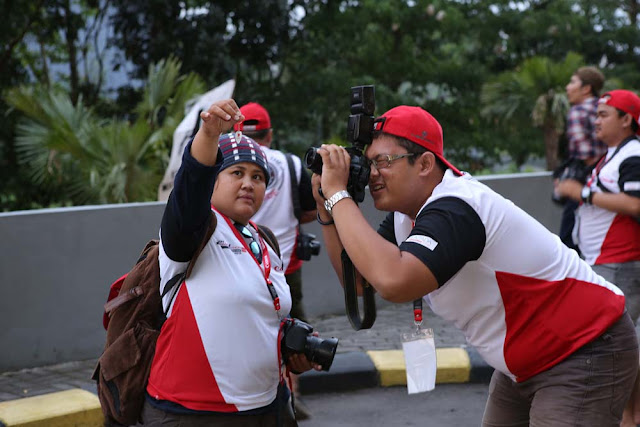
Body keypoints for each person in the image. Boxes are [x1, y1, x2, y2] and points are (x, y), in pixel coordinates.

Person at [312, 104, 638, 426]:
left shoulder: (457, 208)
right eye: (368, 163)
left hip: (583, 348)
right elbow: (360, 282)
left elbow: (395, 282)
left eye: (382, 162)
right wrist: (327, 209)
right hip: (523, 362)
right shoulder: (406, 216)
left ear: (425, 164)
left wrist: (338, 194)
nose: (371, 175)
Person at [142, 99, 319, 426]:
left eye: (258, 177)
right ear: (214, 180)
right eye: (236, 173)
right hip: (191, 412)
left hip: (267, 405)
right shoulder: (195, 230)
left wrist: (292, 348)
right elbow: (191, 187)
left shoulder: (264, 239)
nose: (249, 183)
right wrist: (208, 134)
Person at [555, 89, 640, 427]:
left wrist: (584, 193)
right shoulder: (614, 154)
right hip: (606, 261)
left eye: (605, 114)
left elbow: (635, 204)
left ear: (627, 120)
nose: (596, 120)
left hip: (619, 261)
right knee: (623, 343)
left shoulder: (631, 154)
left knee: (617, 345)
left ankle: (628, 418)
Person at [233, 102, 317, 322]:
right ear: (269, 135)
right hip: (286, 263)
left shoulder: (226, 166)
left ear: (236, 134)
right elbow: (310, 211)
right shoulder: (293, 164)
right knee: (295, 325)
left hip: (240, 264)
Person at [556, 66, 607, 251]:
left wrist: (569, 182)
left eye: (572, 82)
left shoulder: (578, 111)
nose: (568, 88)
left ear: (586, 88)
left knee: (568, 240)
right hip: (609, 182)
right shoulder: (605, 107)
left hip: (586, 183)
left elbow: (586, 155)